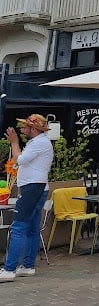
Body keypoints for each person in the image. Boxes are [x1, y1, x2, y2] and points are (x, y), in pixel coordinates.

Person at [0, 114, 55, 282]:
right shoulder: (40, 142)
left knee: (18, 227)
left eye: (25, 126)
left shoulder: (39, 142)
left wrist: (14, 142)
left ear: (34, 128)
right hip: (38, 187)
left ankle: (9, 269)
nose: (22, 128)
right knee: (31, 228)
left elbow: (21, 159)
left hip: (32, 188)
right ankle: (28, 265)